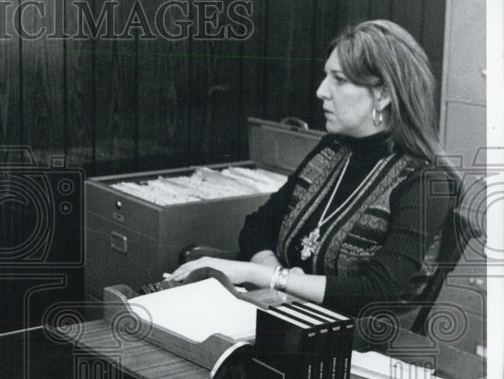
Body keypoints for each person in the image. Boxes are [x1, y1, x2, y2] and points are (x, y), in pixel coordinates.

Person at [170, 19, 459, 321]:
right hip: (284, 318)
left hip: (350, 346)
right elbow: (257, 226)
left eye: (339, 80)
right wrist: (273, 272)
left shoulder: (425, 182)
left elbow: (377, 291)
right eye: (326, 77)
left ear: (383, 95)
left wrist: (265, 276)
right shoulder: (333, 149)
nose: (321, 91)